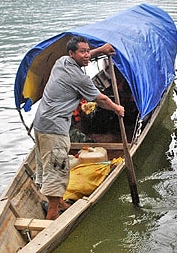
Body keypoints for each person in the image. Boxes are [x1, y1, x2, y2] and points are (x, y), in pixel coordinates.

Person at [33, 35, 125, 220]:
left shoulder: (62, 62)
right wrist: (117, 108)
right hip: (54, 128)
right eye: (82, 52)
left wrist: (100, 50)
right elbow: (100, 99)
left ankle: (59, 202)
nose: (86, 55)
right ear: (71, 54)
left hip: (40, 123)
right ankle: (52, 214)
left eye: (87, 51)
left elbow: (85, 55)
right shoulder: (79, 78)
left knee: (49, 164)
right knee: (57, 169)